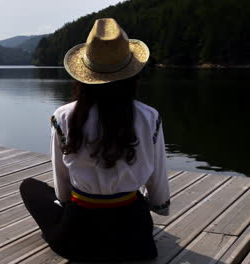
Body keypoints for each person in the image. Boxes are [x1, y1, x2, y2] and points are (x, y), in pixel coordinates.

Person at [19, 18, 170, 262]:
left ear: (84, 75)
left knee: (30, 187)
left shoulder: (63, 116)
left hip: (79, 235)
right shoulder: (149, 116)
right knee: (132, 201)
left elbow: (62, 177)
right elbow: (157, 174)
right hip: (135, 240)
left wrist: (67, 203)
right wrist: (160, 206)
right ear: (132, 74)